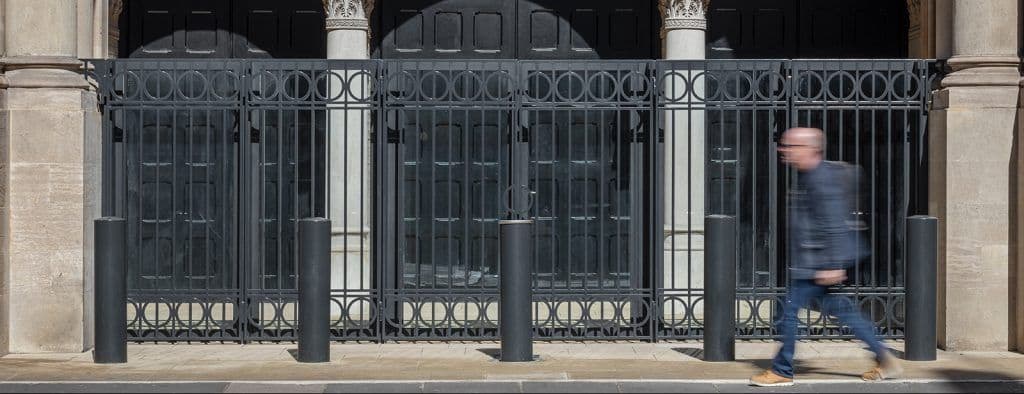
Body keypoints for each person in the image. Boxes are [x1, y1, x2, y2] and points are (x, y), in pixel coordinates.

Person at [749, 127, 902, 387]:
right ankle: (883, 356)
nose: (782, 150)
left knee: (788, 313)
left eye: (790, 146)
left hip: (817, 263)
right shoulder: (811, 176)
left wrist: (832, 264)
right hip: (814, 261)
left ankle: (782, 370)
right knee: (844, 312)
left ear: (811, 149)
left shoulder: (820, 179)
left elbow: (832, 222)